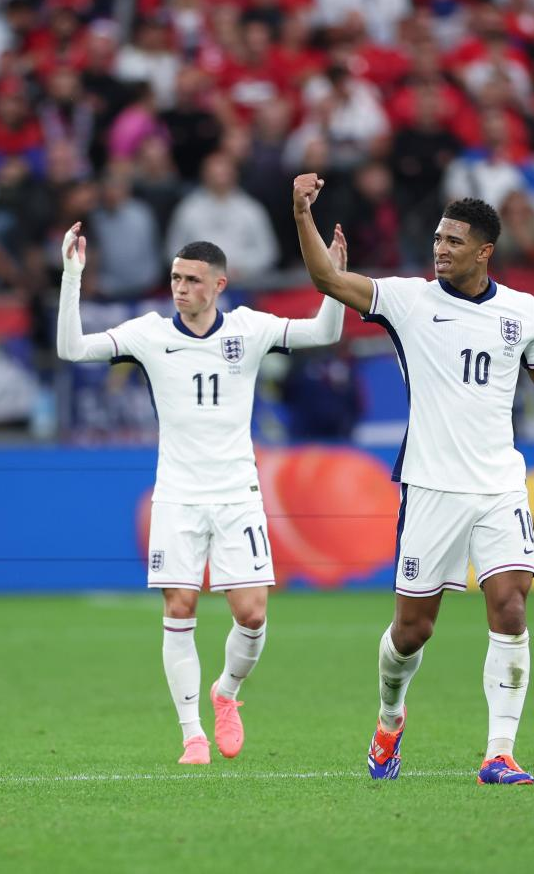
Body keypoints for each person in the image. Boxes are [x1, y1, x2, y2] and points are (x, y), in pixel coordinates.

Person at [292, 173, 534, 785]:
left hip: (499, 485)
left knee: (510, 606)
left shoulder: (524, 312)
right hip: (431, 487)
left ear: (484, 251)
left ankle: (500, 752)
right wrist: (302, 212)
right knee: (412, 632)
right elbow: (328, 280)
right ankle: (390, 719)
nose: (439, 249)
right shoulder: (409, 301)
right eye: (438, 239)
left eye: (453, 242)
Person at [57, 219, 347, 765]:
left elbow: (324, 333)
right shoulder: (149, 334)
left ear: (219, 284)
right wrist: (72, 275)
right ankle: (192, 735)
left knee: (253, 615)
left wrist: (334, 279)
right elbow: (72, 349)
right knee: (180, 604)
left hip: (238, 494)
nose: (181, 288)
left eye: (192, 279)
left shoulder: (249, 329)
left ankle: (226, 693)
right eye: (175, 278)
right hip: (177, 496)